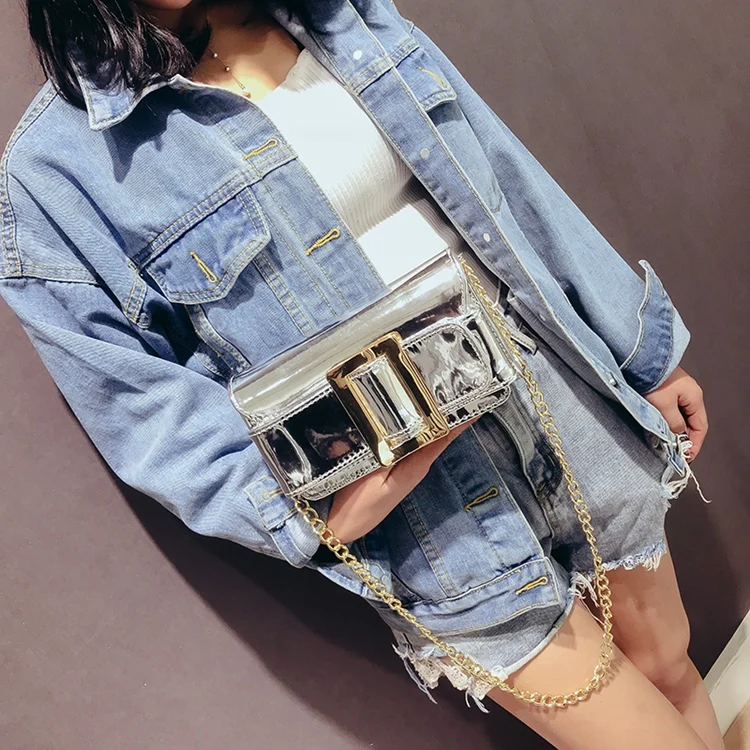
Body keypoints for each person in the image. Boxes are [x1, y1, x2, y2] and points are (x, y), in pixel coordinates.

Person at [1, 0, 719, 747]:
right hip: (423, 508)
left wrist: (641, 349)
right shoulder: (54, 172)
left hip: (553, 384)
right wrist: (301, 509)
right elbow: (141, 409)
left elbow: (502, 177)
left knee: (668, 666)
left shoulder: (336, 14)